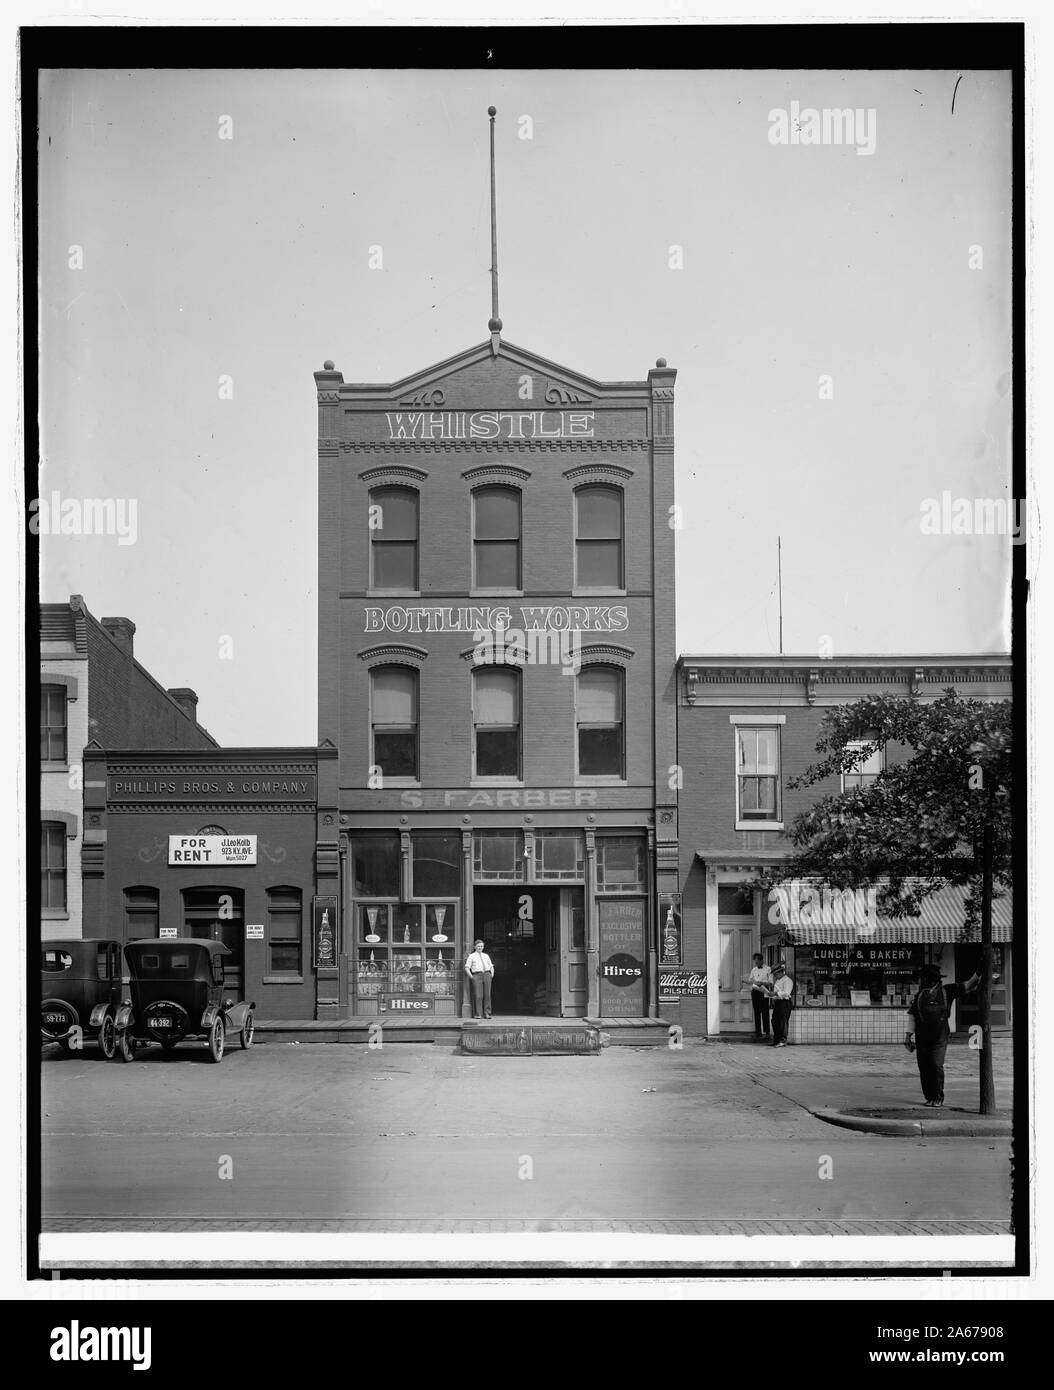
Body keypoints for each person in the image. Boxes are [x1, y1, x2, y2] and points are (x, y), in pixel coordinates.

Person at [905, 964, 980, 1107]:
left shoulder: (948, 991)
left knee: (936, 1065)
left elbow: (968, 985)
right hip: (922, 1038)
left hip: (939, 1037)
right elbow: (913, 1016)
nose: (924, 981)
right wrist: (908, 1036)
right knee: (924, 1067)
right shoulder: (920, 995)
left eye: (926, 978)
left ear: (933, 979)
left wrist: (978, 972)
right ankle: (929, 1097)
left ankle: (938, 1097)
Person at [741, 953, 772, 1039]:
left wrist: (762, 983)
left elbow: (771, 982)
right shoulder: (753, 970)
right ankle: (758, 1032)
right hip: (755, 991)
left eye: (757, 961)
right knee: (756, 1012)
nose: (756, 963)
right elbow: (751, 981)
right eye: (755, 961)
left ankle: (767, 1032)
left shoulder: (768, 969)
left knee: (765, 1012)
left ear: (762, 960)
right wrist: (745, 981)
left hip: (764, 990)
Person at [464, 938, 495, 1019]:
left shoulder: (486, 955)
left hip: (487, 974)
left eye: (481, 946)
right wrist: (471, 977)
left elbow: (491, 965)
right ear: (475, 947)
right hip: (477, 975)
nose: (480, 948)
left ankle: (487, 1013)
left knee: (487, 995)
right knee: (478, 995)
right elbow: (467, 967)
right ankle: (478, 1014)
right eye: (478, 946)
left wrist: (492, 973)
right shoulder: (471, 956)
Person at [768, 961, 795, 1046]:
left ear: (780, 972)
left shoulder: (788, 980)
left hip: (785, 1002)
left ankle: (783, 1041)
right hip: (778, 1002)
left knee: (783, 1021)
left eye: (776, 974)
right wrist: (771, 994)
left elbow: (786, 993)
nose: (775, 976)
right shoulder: (778, 981)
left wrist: (775, 994)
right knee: (775, 1021)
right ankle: (776, 1040)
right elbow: (777, 993)